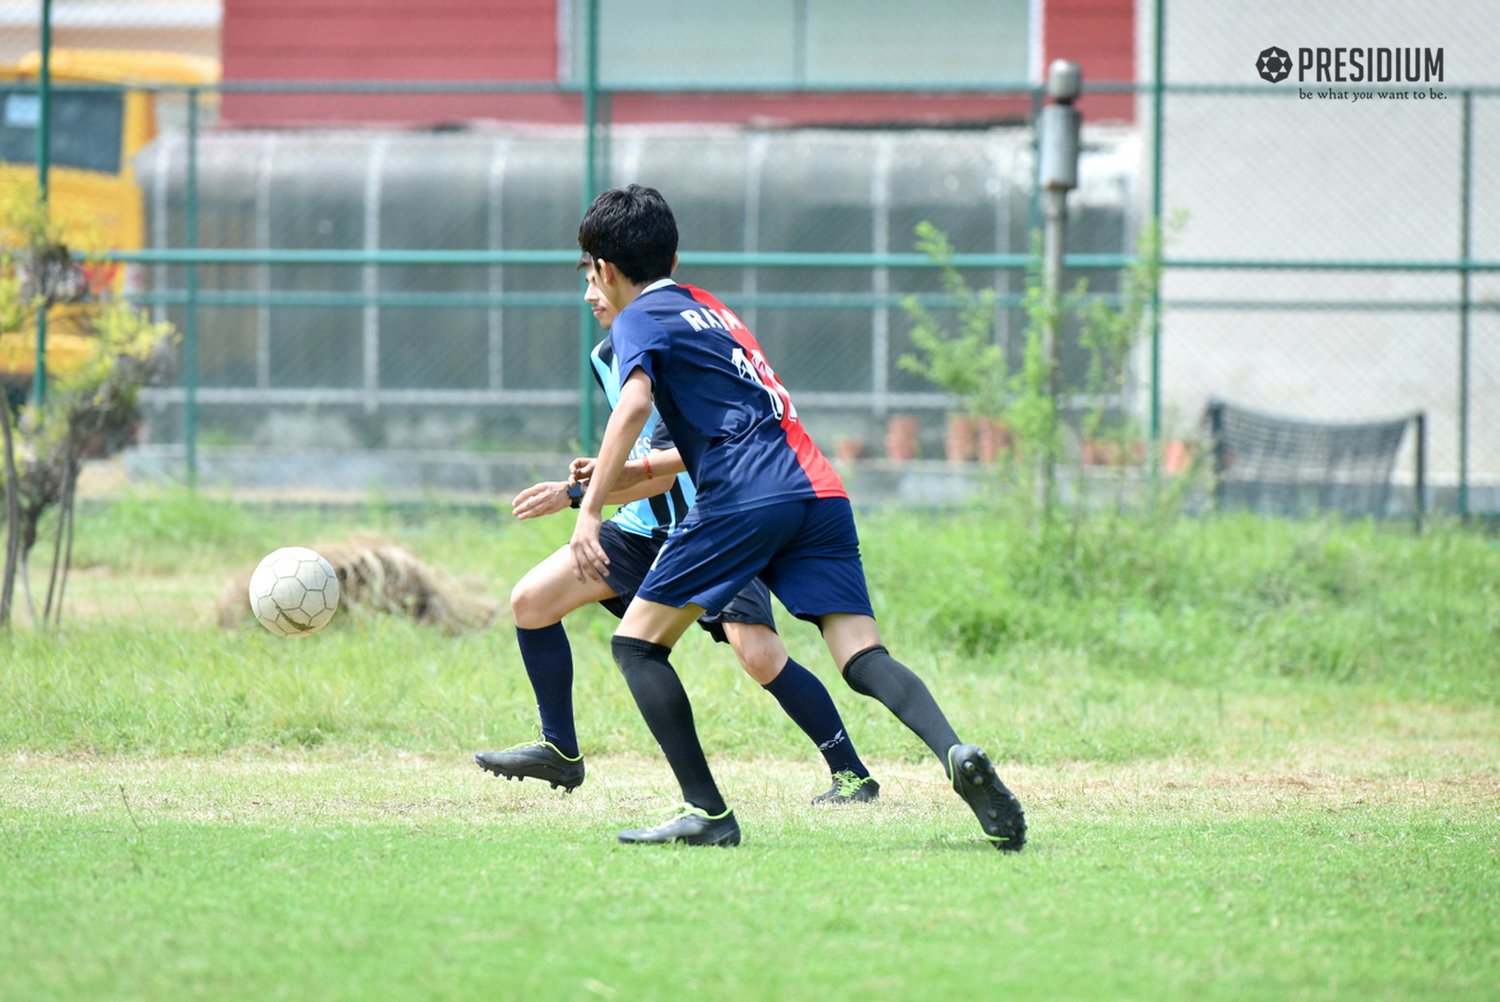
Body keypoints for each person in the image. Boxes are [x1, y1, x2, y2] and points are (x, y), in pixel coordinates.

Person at [569, 183, 1026, 851]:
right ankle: (955, 753)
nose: (590, 286)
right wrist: (620, 479)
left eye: (588, 270)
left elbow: (635, 406)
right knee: (863, 655)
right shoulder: (712, 309)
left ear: (606, 267)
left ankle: (708, 813)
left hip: (743, 495)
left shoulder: (640, 315)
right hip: (816, 488)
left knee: (637, 645)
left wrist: (587, 513)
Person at [473, 319, 880, 807]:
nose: (591, 295)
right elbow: (635, 449)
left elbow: (660, 473)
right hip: (639, 531)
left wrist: (575, 493)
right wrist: (595, 478)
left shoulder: (671, 349)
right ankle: (559, 748)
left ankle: (853, 774)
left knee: (760, 655)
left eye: (597, 279)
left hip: (713, 530)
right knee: (531, 601)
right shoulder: (606, 355)